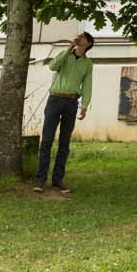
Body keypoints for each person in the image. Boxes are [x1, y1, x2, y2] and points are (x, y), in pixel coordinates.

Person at [34, 32, 94, 195]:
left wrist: (85, 105)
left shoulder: (88, 64)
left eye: (82, 37)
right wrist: (68, 48)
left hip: (71, 102)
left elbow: (87, 84)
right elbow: (52, 66)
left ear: (88, 43)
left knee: (64, 142)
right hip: (55, 99)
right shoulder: (65, 55)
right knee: (46, 140)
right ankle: (40, 179)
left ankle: (57, 180)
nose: (78, 38)